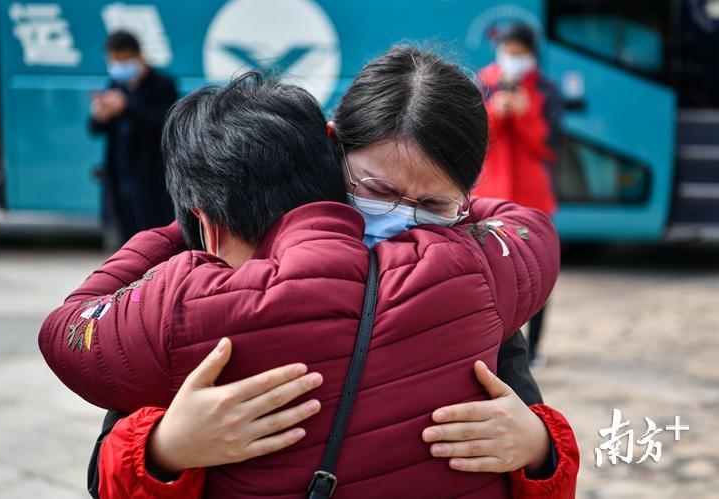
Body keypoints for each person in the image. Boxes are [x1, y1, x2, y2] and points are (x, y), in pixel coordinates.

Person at [40, 48, 576, 498]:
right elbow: (103, 474)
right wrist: (164, 447)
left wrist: (536, 446)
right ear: (331, 146)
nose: (400, 222)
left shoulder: (470, 280)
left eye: (433, 205)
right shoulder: (221, 271)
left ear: (464, 200)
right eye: (377, 190)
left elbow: (527, 424)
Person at [473, 24, 563, 366]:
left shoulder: (545, 89)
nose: (513, 59)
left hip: (533, 199)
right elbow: (475, 140)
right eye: (507, 51)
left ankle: (535, 348)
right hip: (489, 196)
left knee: (538, 274)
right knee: (490, 274)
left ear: (531, 53)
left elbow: (551, 145)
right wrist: (495, 112)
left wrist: (526, 116)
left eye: (519, 52)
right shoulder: (481, 82)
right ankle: (489, 344)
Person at [89, 30, 177, 245]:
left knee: (157, 241)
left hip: (153, 179)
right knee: (126, 243)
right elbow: (94, 129)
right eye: (114, 61)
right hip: (121, 180)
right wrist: (100, 115)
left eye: (124, 60)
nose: (119, 66)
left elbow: (167, 124)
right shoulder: (114, 85)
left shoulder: (163, 85)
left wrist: (127, 107)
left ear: (138, 56)